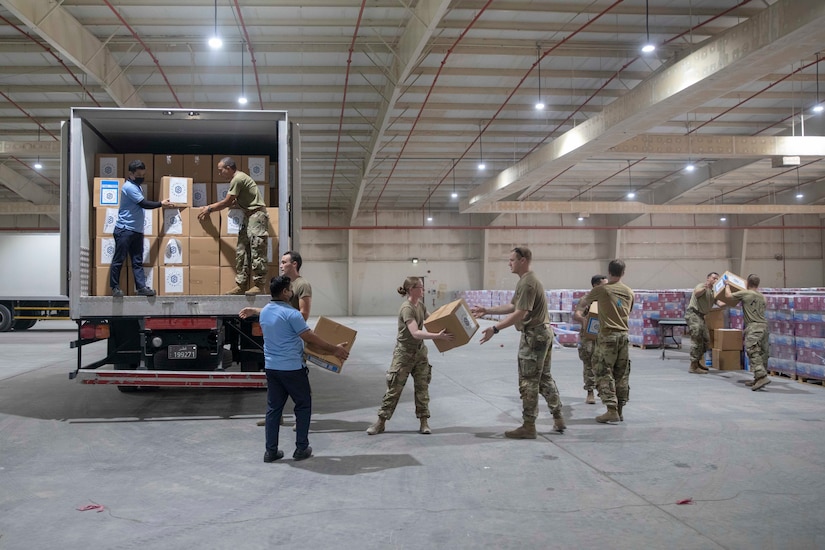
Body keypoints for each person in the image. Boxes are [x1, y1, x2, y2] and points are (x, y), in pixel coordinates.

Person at [240, 276, 349, 463]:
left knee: (273, 409)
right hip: (292, 369)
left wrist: (252, 310)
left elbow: (267, 311)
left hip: (272, 368)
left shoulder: (266, 312)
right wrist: (335, 349)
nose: (292, 292)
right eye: (290, 289)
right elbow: (310, 338)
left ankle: (270, 452)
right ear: (284, 292)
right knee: (303, 405)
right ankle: (301, 448)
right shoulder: (293, 315)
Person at [471, 247, 565, 438]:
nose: (509, 263)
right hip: (542, 333)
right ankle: (558, 417)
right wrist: (487, 310)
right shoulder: (526, 281)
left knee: (529, 381)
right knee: (544, 377)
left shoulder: (528, 283)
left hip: (534, 335)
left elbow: (521, 313)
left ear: (523, 260)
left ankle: (529, 426)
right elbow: (513, 306)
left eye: (512, 260)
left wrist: (495, 329)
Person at [365, 277, 453, 436]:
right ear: (412, 289)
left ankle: (424, 422)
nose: (423, 289)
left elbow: (432, 320)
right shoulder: (407, 308)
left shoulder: (420, 305)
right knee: (394, 388)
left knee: (422, 386)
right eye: (420, 286)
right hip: (404, 353)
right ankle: (381, 422)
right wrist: (437, 336)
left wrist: (448, 319)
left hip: (420, 352)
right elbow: (415, 332)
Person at [575, 259, 633, 424]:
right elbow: (625, 309)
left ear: (609, 271)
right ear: (623, 272)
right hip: (624, 335)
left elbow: (583, 302)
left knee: (602, 371)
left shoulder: (602, 290)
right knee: (621, 374)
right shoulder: (629, 292)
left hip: (607, 336)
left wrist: (582, 314)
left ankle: (611, 409)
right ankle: (620, 410)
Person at [199, 157, 268, 296]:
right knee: (242, 250)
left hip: (256, 216)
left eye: (221, 171)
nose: (220, 174)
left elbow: (226, 202)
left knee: (256, 249)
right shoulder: (237, 180)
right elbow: (233, 201)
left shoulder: (238, 179)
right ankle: (241, 285)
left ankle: (259, 285)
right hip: (248, 216)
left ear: (229, 168)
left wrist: (209, 209)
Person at [109, 159, 172, 297]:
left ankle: (141, 287)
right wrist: (161, 204)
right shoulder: (129, 187)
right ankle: (114, 287)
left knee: (137, 261)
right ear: (131, 174)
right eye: (138, 175)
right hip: (125, 229)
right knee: (119, 259)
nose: (141, 178)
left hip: (136, 230)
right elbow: (144, 204)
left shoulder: (137, 187)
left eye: (143, 175)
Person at [720, 274, 770, 391]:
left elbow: (728, 296)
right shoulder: (762, 297)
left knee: (752, 350)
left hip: (754, 326)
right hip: (764, 326)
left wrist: (727, 285)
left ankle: (761, 376)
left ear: (747, 283)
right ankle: (758, 378)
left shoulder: (746, 293)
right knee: (762, 352)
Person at [573, 274, 608, 404]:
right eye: (604, 285)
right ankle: (590, 392)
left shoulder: (608, 299)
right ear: (595, 286)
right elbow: (577, 314)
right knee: (589, 364)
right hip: (589, 337)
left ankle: (605, 391)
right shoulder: (586, 299)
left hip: (604, 335)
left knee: (605, 365)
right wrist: (583, 319)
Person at [685, 272, 722, 374]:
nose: (715, 280)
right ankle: (693, 366)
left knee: (706, 340)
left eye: (717, 279)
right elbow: (697, 293)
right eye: (714, 278)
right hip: (693, 314)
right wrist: (706, 287)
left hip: (701, 317)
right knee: (697, 339)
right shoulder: (702, 286)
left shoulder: (713, 292)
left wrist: (730, 300)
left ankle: (697, 362)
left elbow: (720, 303)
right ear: (708, 278)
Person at [280, 251, 312, 320]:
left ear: (294, 264)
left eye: (284, 263)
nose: (281, 266)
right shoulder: (283, 283)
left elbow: (304, 314)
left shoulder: (303, 285)